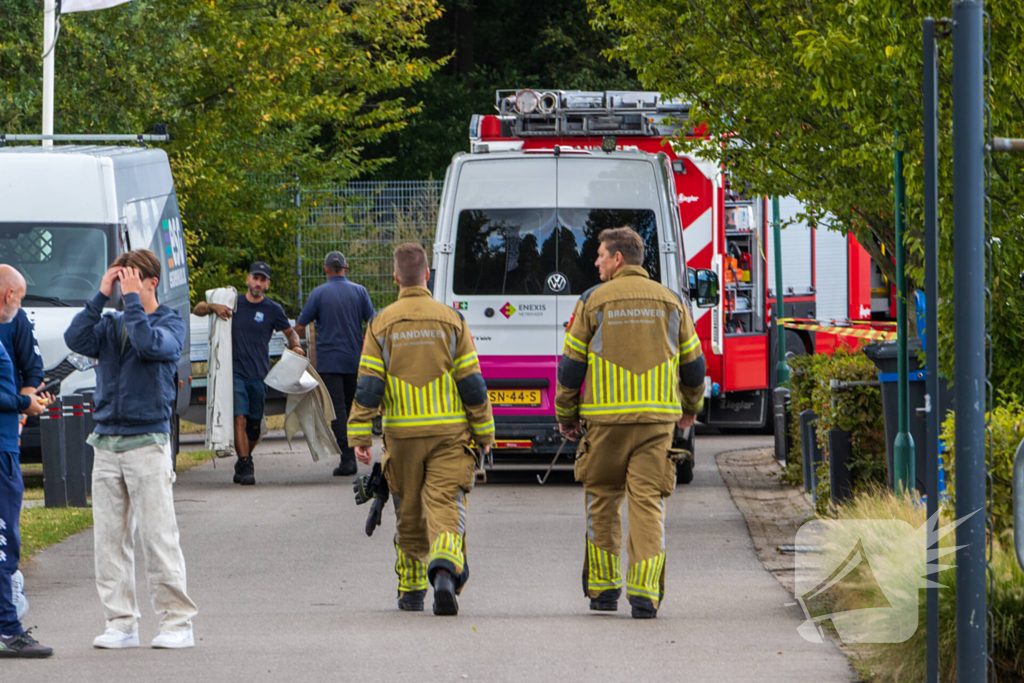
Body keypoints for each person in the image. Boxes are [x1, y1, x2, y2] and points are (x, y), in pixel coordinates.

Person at [555, 228, 706, 619]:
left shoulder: (592, 300)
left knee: (602, 499)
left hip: (605, 423)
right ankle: (644, 596)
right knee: (648, 504)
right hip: (657, 424)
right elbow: (694, 364)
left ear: (618, 259)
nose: (596, 262)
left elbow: (571, 366)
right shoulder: (672, 301)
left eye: (601, 255)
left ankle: (604, 592)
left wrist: (566, 416)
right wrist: (691, 406)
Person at [349, 243, 493, 616]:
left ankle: (411, 591)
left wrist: (359, 436)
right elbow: (472, 383)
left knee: (408, 510)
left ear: (396, 278)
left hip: (403, 436)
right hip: (449, 435)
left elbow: (368, 385)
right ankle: (444, 570)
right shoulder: (452, 320)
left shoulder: (380, 323)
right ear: (427, 275)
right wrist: (485, 432)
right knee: (445, 504)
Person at [64, 249, 198, 649]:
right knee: (108, 540)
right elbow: (76, 338)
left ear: (152, 281)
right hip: (106, 441)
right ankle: (121, 622)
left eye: (131, 277)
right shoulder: (109, 323)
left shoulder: (169, 322)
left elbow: (148, 345)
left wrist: (135, 302)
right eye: (120, 277)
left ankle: (177, 623)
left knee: (159, 538)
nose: (124, 284)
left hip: (147, 441)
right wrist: (100, 296)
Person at [193, 261, 304, 486]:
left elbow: (291, 334)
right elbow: (197, 309)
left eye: (263, 280)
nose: (258, 283)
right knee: (240, 417)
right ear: (247, 279)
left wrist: (295, 346)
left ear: (267, 284)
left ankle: (246, 458)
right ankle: (245, 463)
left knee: (254, 425)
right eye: (255, 278)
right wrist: (214, 307)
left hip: (259, 374)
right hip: (235, 373)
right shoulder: (233, 303)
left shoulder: (273, 310)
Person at [0, 265, 54, 658]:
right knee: (4, 539)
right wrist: (23, 405)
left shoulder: (14, 330)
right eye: (19, 297)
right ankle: (7, 628)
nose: (20, 305)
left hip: (7, 442)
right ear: (8, 296)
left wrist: (22, 409)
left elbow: (31, 370)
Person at [294, 251, 375, 477]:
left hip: (329, 362)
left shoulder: (319, 293)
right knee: (350, 407)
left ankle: (348, 459)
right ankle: (355, 451)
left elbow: (301, 325)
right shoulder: (360, 291)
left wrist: (291, 339)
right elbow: (374, 322)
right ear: (345, 267)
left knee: (337, 410)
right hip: (354, 359)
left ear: (325, 269)